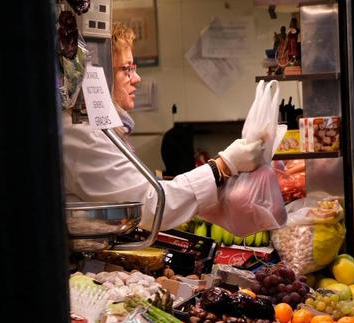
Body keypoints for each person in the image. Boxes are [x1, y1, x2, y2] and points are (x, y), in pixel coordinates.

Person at [62, 22, 263, 231]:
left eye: (134, 68)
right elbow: (149, 206)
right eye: (126, 69)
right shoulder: (81, 132)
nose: (137, 79)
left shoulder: (99, 128)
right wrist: (221, 167)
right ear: (99, 75)